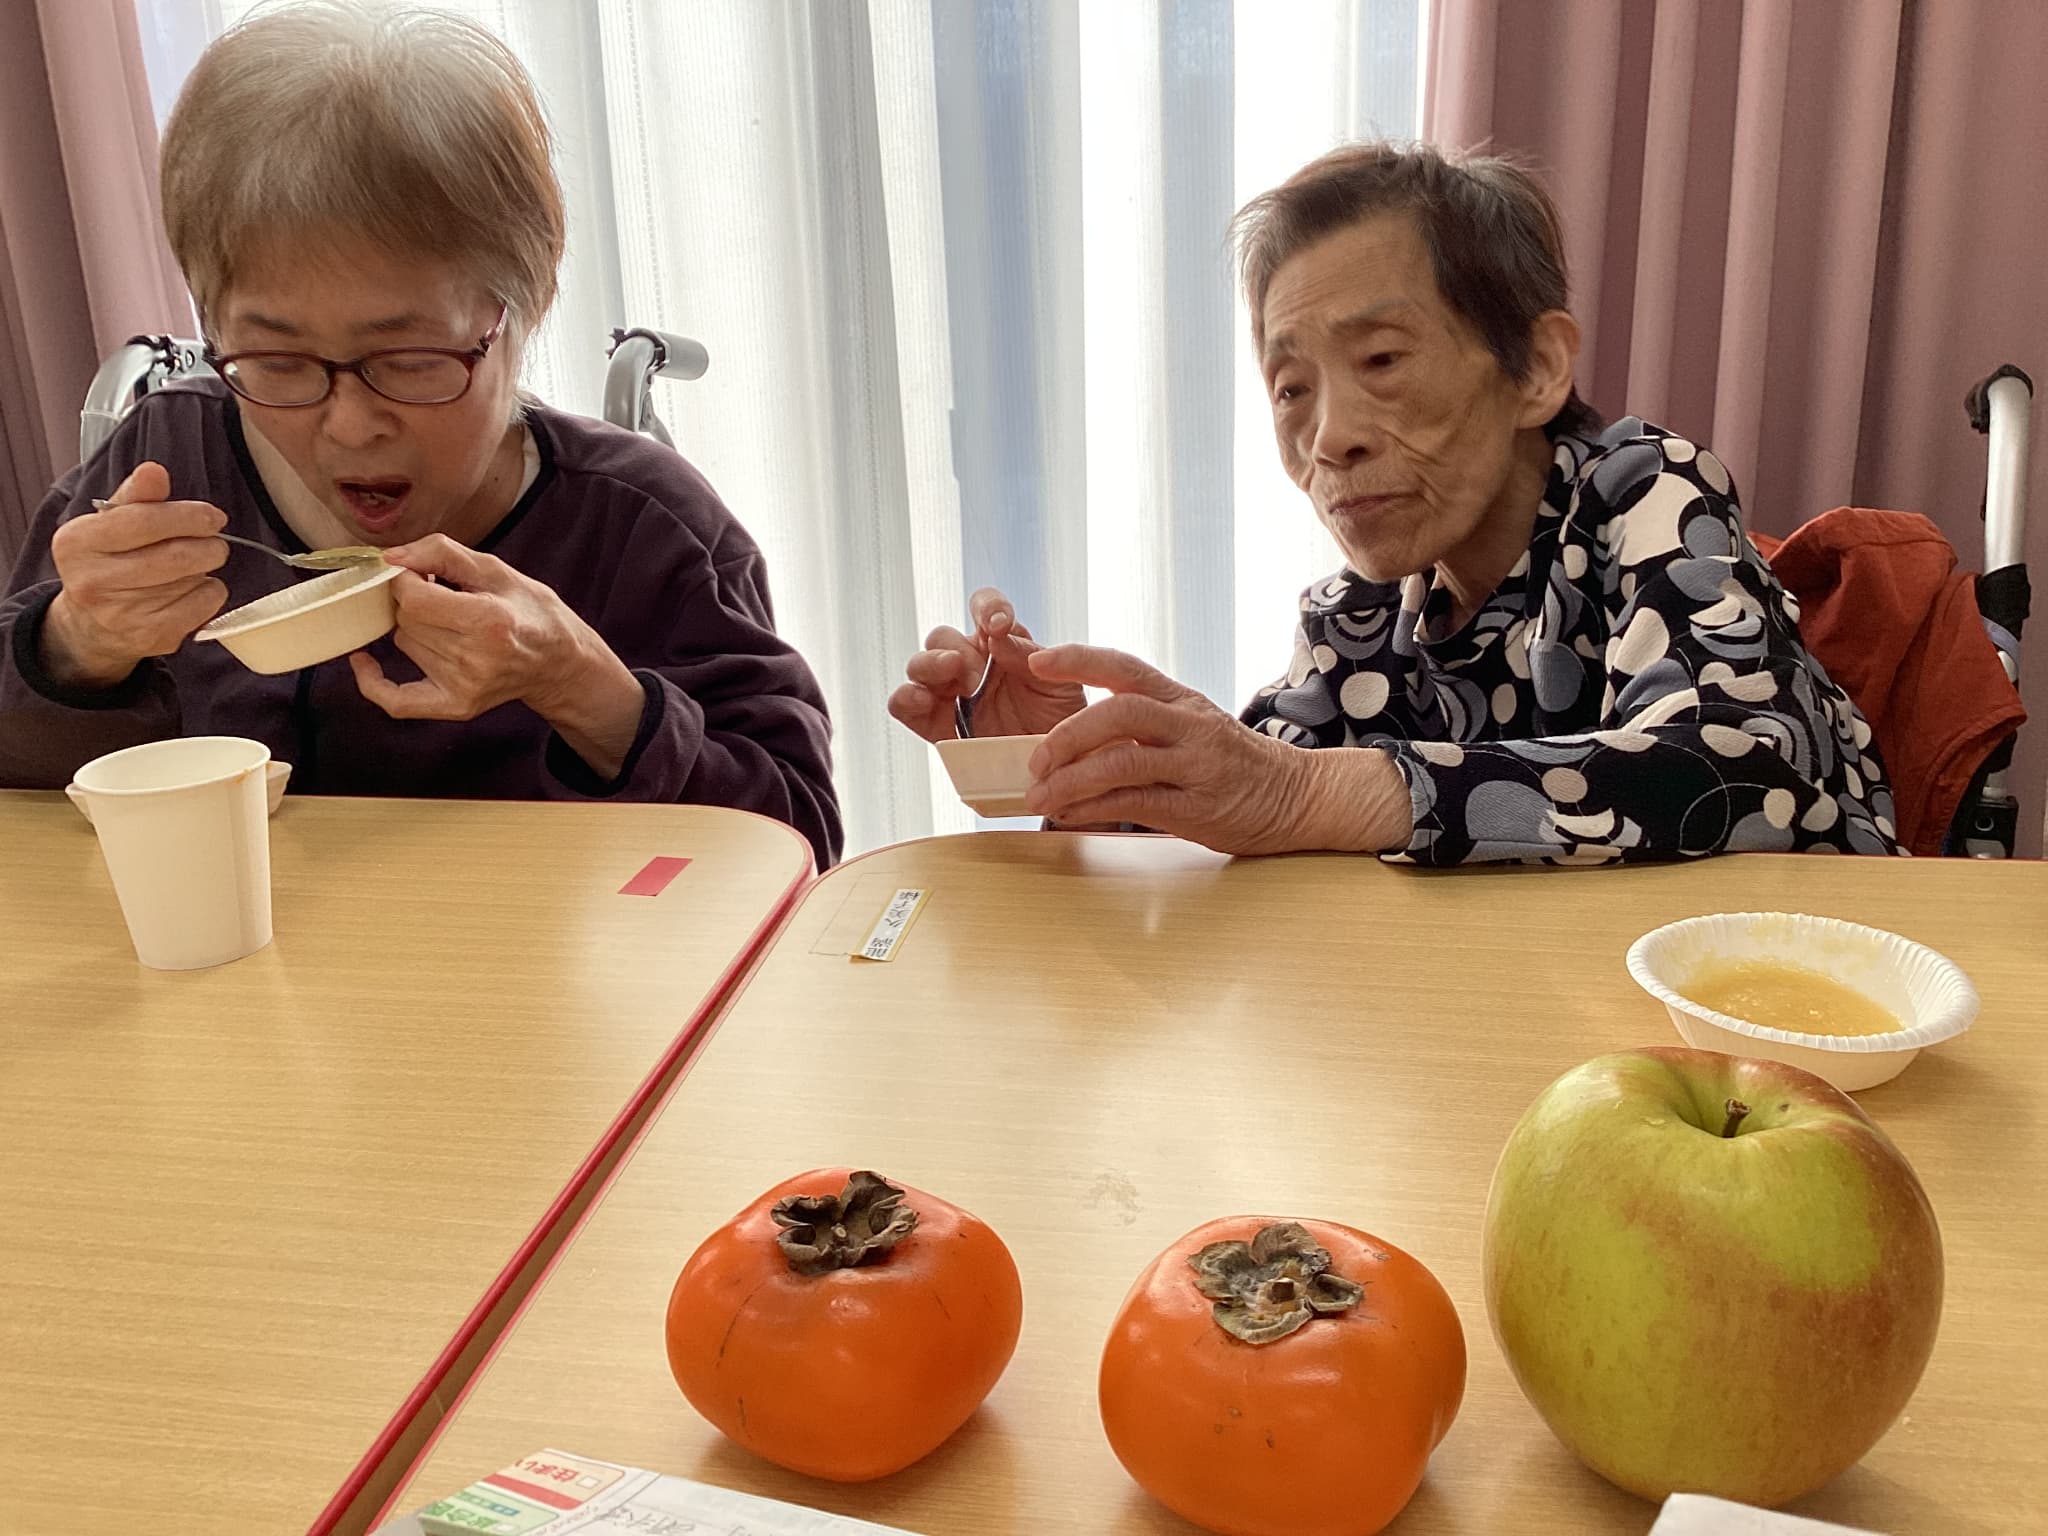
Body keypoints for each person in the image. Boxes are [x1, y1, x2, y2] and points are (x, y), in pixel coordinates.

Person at [0, 3, 841, 868]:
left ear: (519, 309)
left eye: (407, 358)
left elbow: (799, 842)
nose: (352, 424)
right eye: (279, 359)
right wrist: (71, 648)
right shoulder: (167, 462)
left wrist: (587, 692)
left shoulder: (641, 524)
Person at [889, 142, 1896, 864]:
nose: (1327, 436)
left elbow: (1744, 772)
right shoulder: (1356, 617)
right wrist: (1065, 766)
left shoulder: (1644, 493)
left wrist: (1297, 792)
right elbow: (1248, 811)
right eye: (1290, 389)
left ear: (1535, 368)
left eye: (1379, 360)